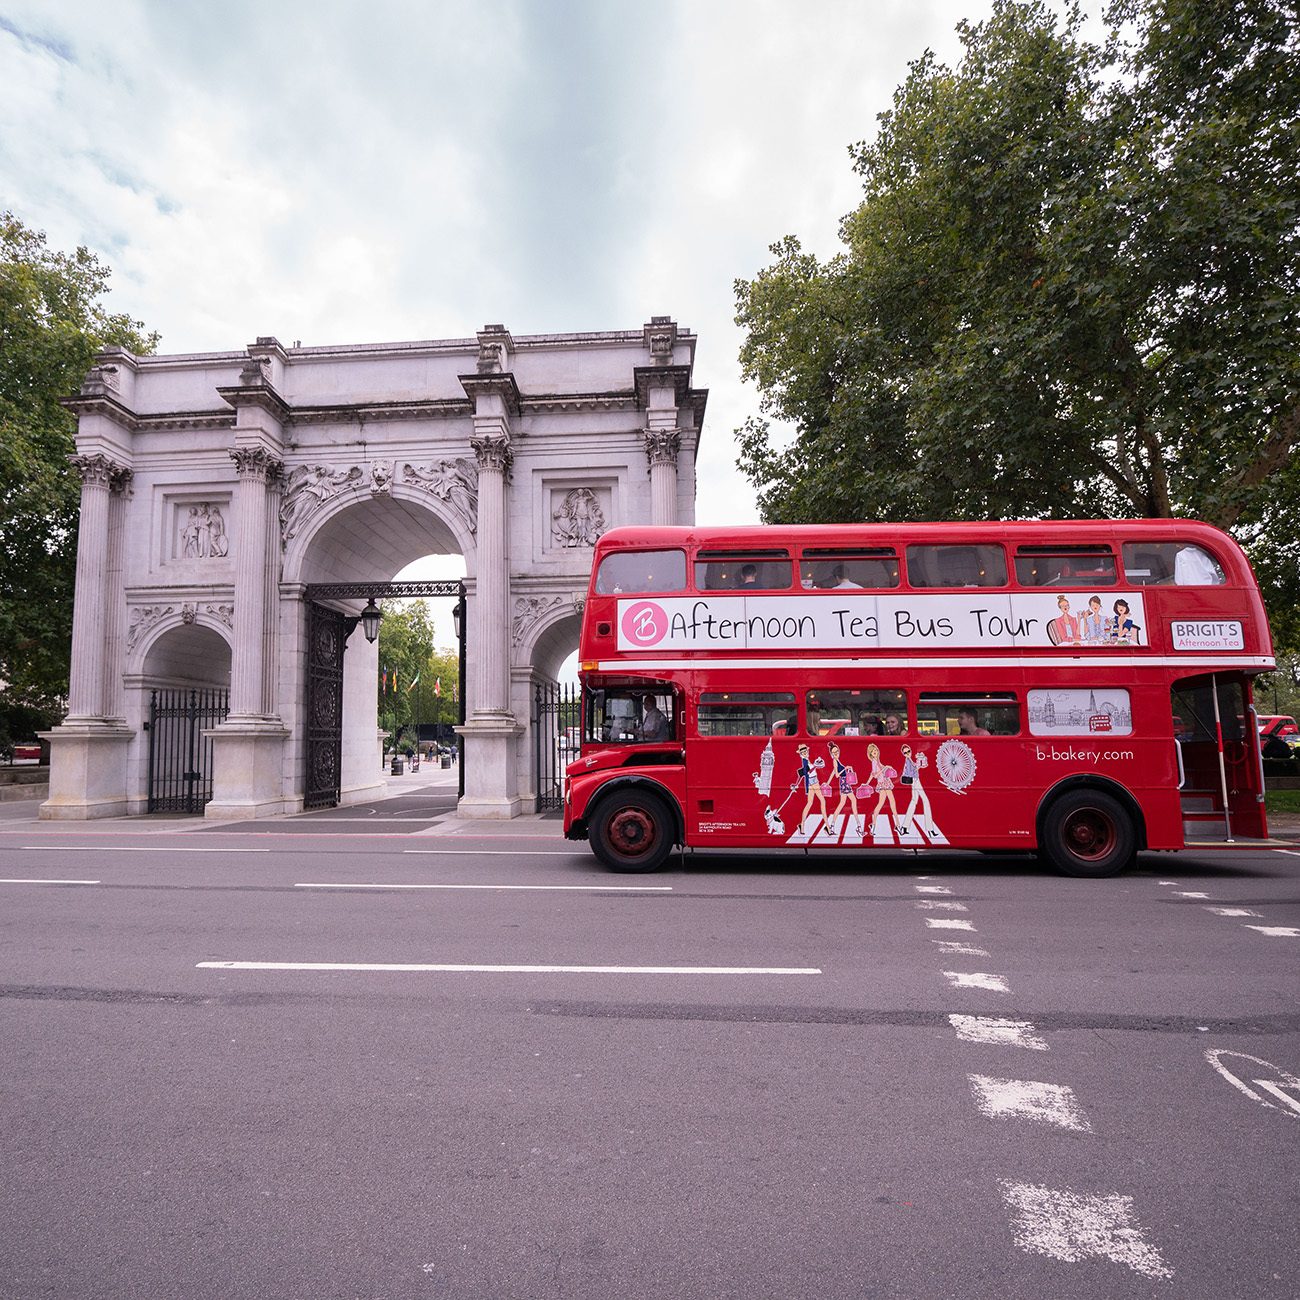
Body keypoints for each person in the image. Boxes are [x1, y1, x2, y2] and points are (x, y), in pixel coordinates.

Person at [826, 741, 862, 836]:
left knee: (842, 803)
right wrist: (845, 769)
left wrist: (828, 782)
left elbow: (833, 772)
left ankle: (831, 826)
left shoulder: (837, 761)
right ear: (831, 754)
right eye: (834, 753)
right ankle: (858, 826)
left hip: (844, 783)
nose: (836, 753)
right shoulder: (835, 761)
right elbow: (837, 775)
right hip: (844, 782)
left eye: (837, 751)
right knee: (852, 801)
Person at [794, 743, 827, 836]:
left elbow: (805, 773)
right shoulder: (805, 761)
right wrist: (815, 765)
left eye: (806, 751)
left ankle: (802, 825)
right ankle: (828, 827)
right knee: (822, 801)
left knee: (809, 803)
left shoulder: (806, 760)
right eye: (803, 752)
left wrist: (816, 764)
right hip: (813, 781)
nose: (805, 753)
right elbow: (806, 772)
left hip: (811, 781)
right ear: (800, 754)